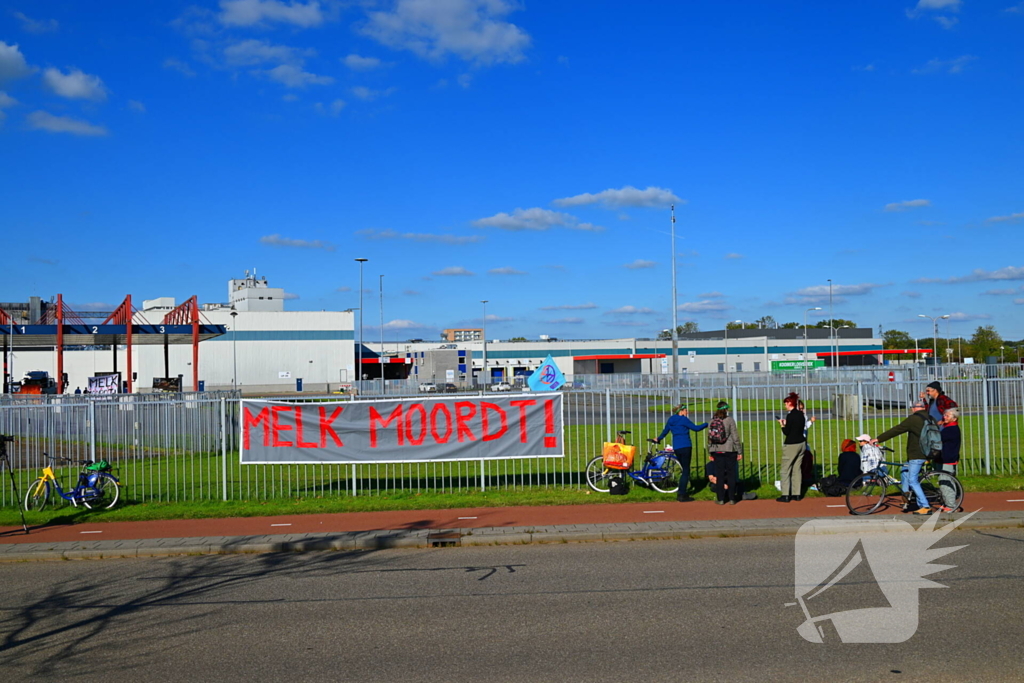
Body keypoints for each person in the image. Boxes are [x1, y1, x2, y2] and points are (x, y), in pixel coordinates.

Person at [873, 399, 931, 515]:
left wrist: (878, 439)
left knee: (913, 480)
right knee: (904, 470)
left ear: (913, 408)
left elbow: (897, 429)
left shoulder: (914, 419)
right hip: (928, 452)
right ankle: (906, 495)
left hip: (917, 454)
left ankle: (925, 506)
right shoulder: (931, 418)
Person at [655, 404, 707, 502]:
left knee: (684, 469)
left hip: (677, 447)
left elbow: (665, 431)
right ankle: (682, 493)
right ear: (681, 411)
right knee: (686, 470)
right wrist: (707, 424)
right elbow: (696, 428)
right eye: (686, 410)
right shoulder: (683, 420)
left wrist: (659, 438)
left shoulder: (671, 420)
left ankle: (682, 491)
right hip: (685, 446)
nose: (687, 412)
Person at [707, 401, 743, 505]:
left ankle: (721, 498)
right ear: (726, 409)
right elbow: (735, 437)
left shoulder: (712, 421)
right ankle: (732, 498)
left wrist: (710, 452)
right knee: (731, 474)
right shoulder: (729, 420)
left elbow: (709, 438)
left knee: (720, 474)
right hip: (729, 450)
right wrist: (739, 451)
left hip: (717, 450)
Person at [777, 392, 806, 502]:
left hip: (791, 445)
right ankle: (796, 493)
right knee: (796, 469)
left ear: (790, 403)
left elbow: (787, 432)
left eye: (786, 403)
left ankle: (785, 494)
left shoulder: (790, 415)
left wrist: (782, 424)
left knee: (785, 469)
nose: (785, 406)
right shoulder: (801, 415)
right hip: (801, 443)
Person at [936, 406, 962, 512]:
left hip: (948, 459)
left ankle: (951, 505)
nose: (944, 417)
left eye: (947, 416)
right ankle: (946, 502)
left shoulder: (951, 429)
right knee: (943, 481)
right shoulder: (946, 427)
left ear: (954, 418)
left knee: (945, 481)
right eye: (944, 415)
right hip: (943, 458)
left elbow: (938, 438)